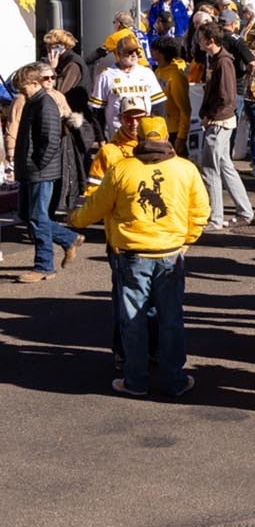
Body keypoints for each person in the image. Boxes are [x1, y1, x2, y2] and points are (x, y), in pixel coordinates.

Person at [68, 116, 209, 397]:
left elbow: (96, 206)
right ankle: (174, 380)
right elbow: (201, 212)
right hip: (170, 253)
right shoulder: (185, 169)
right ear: (166, 138)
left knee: (133, 318)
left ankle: (136, 380)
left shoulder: (123, 169)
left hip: (132, 253)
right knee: (171, 319)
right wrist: (186, 242)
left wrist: (75, 219)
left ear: (140, 139)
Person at [13, 63, 85, 283]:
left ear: (35, 83)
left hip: (40, 171)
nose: (21, 92)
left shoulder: (45, 104)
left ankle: (44, 266)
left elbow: (51, 140)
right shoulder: (33, 102)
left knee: (37, 217)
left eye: (24, 88)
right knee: (27, 214)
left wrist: (38, 164)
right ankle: (69, 239)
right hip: (31, 169)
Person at [195, 24, 255, 230]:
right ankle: (245, 211)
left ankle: (216, 218)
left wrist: (211, 117)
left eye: (200, 37)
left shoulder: (223, 62)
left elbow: (226, 97)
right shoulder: (218, 60)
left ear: (210, 40)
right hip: (220, 120)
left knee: (210, 168)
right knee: (225, 165)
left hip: (219, 122)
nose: (197, 40)